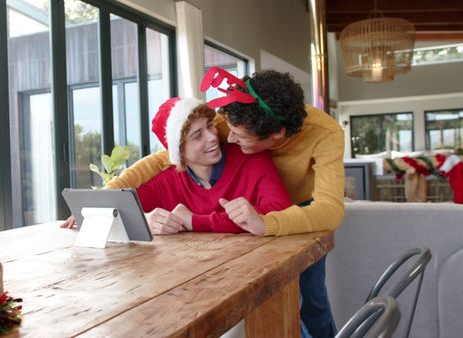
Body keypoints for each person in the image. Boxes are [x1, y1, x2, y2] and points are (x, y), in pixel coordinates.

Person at [100, 68, 345, 338]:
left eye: (239, 137)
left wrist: (264, 222)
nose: (227, 139)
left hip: (301, 208)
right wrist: (106, 197)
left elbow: (330, 209)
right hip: (254, 214)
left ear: (276, 136)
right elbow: (166, 156)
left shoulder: (325, 134)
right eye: (228, 130)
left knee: (311, 300)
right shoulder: (233, 119)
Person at [135, 97, 291, 234]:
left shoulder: (251, 156)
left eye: (210, 125)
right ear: (179, 152)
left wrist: (195, 221)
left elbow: (281, 209)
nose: (212, 137)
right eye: (197, 136)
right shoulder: (165, 182)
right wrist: (146, 221)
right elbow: (115, 212)